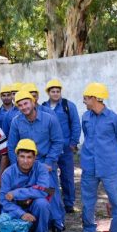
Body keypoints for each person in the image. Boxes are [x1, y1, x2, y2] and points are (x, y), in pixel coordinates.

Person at [74, 83, 117, 232]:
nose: (84, 101)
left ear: (95, 98)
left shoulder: (116, 119)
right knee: (87, 201)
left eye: (86, 98)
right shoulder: (85, 117)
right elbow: (87, 137)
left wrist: (112, 157)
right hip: (89, 166)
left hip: (109, 167)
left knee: (115, 202)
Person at [7, 90, 65, 232]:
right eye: (20, 105)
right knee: (25, 195)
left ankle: (57, 227)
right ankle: (29, 228)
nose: (24, 107)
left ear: (33, 102)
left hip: (45, 164)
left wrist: (49, 162)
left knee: (51, 194)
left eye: (26, 103)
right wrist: (17, 167)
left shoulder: (49, 119)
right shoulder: (16, 122)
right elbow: (12, 146)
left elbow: (58, 142)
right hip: (25, 164)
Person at [0, 139, 53, 232]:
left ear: (35, 158)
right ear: (17, 157)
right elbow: (4, 200)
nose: (25, 161)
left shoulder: (41, 169)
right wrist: (21, 214)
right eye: (22, 156)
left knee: (42, 204)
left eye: (29, 157)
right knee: (4, 216)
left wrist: (16, 193)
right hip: (15, 208)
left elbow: (44, 191)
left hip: (34, 206)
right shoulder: (8, 173)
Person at [42, 79, 81, 213]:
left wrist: (73, 143)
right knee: (49, 176)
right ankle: (52, 202)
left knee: (67, 176)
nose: (55, 93)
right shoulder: (44, 107)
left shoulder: (68, 106)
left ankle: (69, 203)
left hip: (65, 148)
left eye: (57, 91)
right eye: (53, 91)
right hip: (50, 148)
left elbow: (76, 124)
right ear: (48, 93)